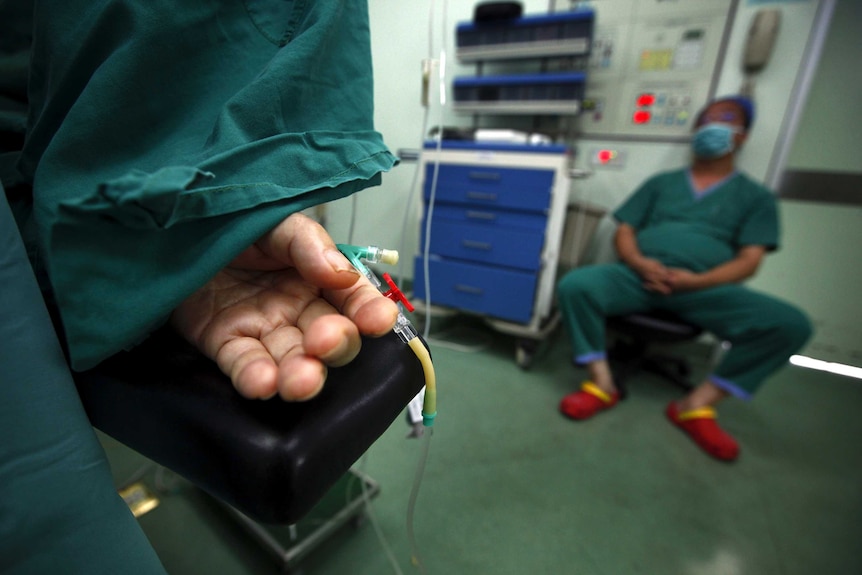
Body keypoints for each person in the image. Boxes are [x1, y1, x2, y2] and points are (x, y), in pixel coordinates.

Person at [556, 96, 812, 461]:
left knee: (790, 325)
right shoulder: (663, 183)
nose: (712, 126)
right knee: (576, 285)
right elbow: (625, 230)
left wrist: (697, 281)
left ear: (742, 136)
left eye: (725, 118)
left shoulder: (755, 197)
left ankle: (696, 405)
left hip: (705, 289)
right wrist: (641, 263)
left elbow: (750, 260)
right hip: (639, 276)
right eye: (705, 120)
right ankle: (601, 383)